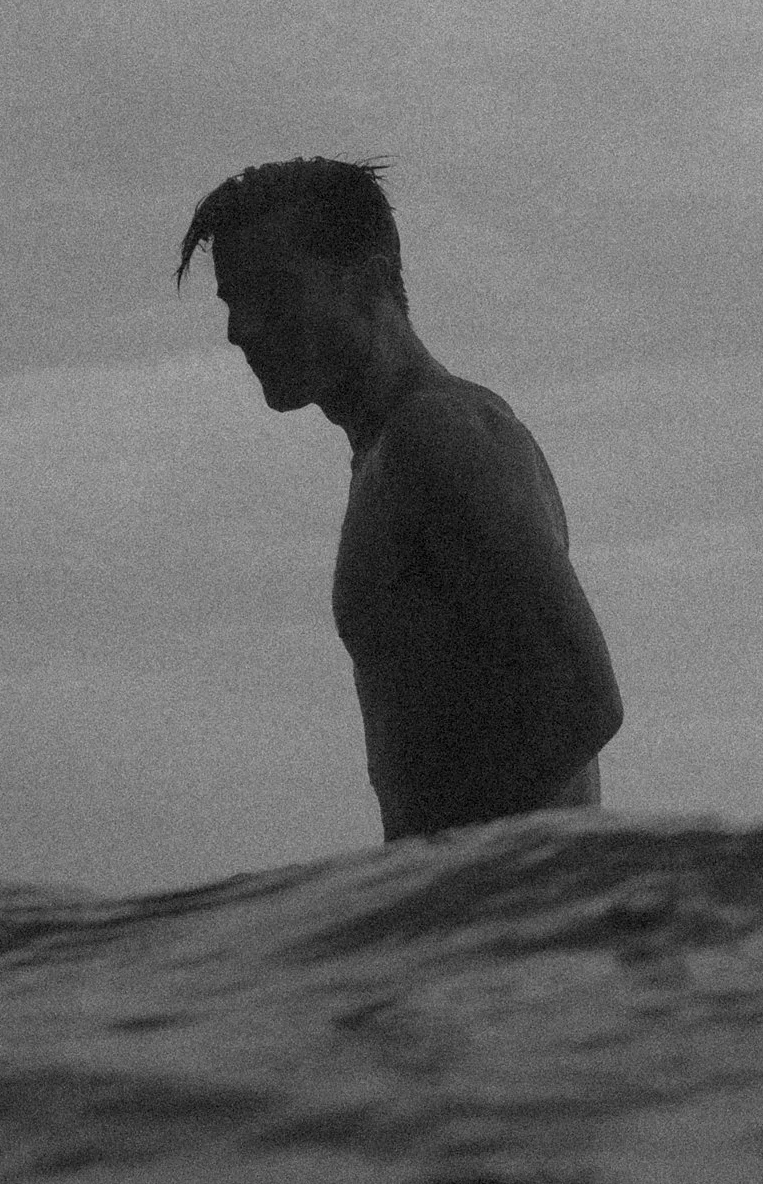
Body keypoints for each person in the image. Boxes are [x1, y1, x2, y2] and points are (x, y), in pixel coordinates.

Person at [178, 157, 624, 841]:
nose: (241, 329)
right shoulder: (388, 454)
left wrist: (426, 880)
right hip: (487, 916)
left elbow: (583, 700)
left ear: (370, 278)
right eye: (232, 302)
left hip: (504, 920)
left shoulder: (438, 436)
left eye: (269, 291)